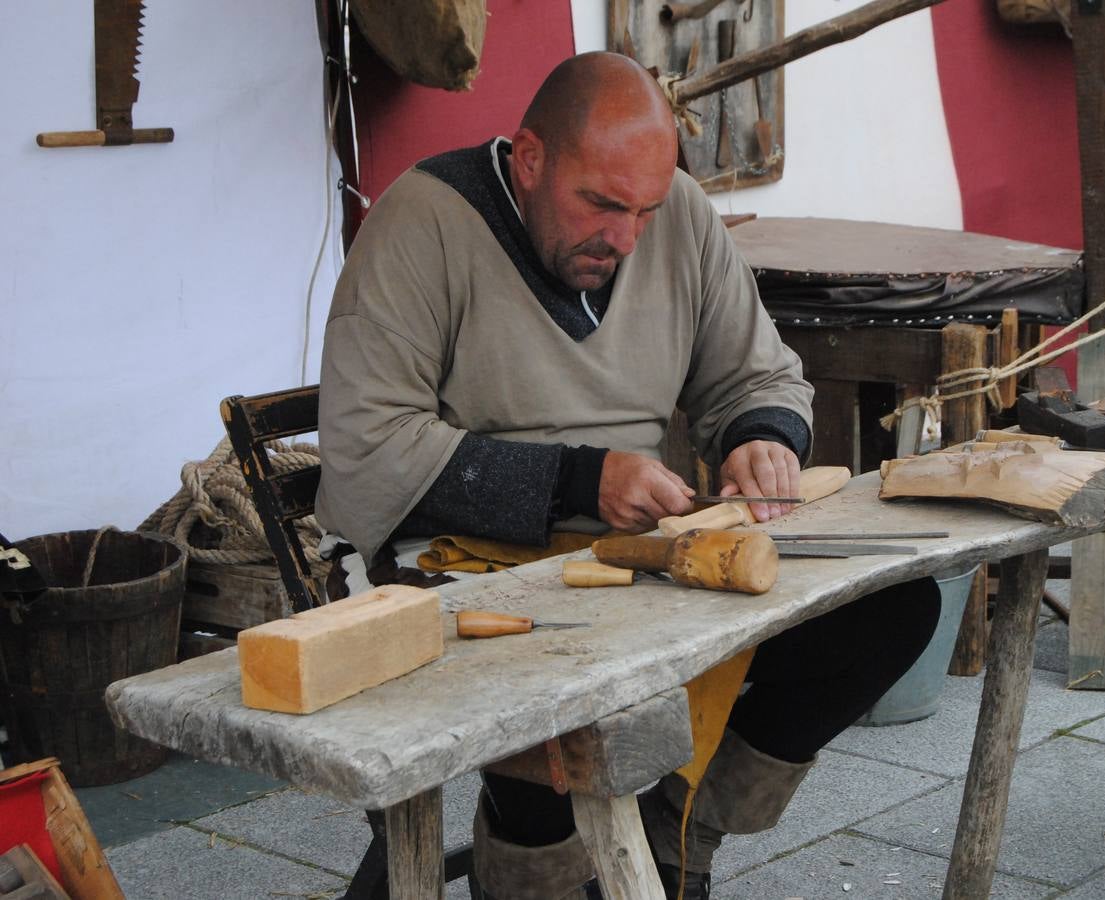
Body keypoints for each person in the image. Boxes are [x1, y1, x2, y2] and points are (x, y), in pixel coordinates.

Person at [316, 51, 939, 900]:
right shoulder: (422, 222)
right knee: (557, 709)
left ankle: (682, 830)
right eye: (602, 205)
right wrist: (577, 481)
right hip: (476, 569)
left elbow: (758, 375)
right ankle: (536, 878)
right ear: (531, 159)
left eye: (644, 209)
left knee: (891, 611)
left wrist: (761, 437)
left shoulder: (674, 213)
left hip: (638, 557)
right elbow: (366, 447)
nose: (625, 237)